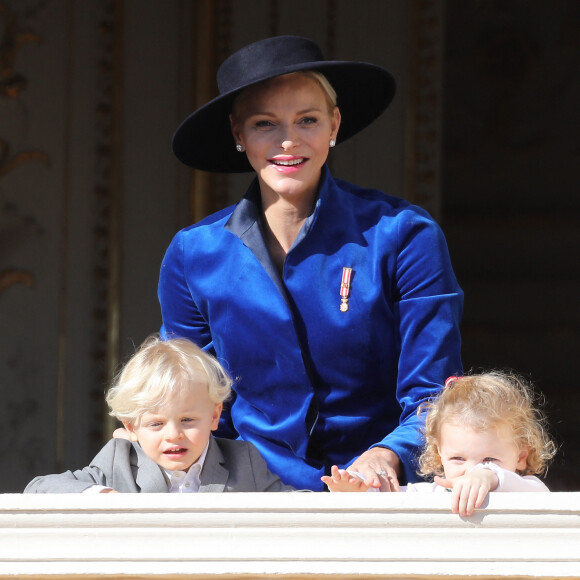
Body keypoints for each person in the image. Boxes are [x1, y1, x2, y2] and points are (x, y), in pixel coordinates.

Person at [157, 35, 463, 491]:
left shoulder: (405, 234)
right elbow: (186, 398)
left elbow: (434, 393)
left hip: (383, 495)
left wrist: (388, 456)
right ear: (238, 134)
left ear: (334, 124)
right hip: (244, 498)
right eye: (265, 123)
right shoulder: (193, 253)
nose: (288, 140)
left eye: (308, 120)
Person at [24, 335, 295, 493]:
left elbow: (294, 506)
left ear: (214, 416)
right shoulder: (118, 460)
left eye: (187, 420)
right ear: (131, 427)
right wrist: (98, 494)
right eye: (156, 424)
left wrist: (337, 497)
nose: (173, 435)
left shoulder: (243, 459)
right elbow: (38, 488)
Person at [322, 371, 556, 515]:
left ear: (521, 457)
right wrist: (355, 489)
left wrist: (489, 475)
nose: (471, 470)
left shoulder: (523, 488)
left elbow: (541, 497)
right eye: (458, 458)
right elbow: (388, 502)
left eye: (489, 459)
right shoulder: (432, 491)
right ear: (439, 454)